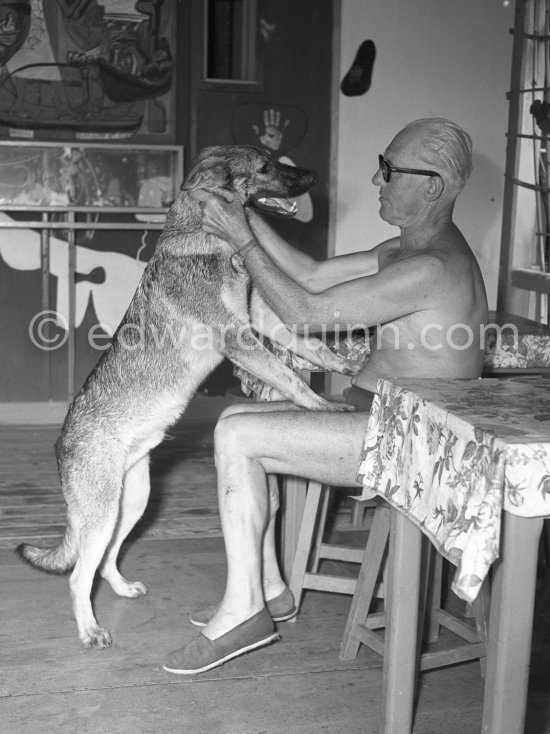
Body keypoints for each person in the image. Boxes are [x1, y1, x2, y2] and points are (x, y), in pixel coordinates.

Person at [163, 118, 489, 675]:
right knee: (241, 413)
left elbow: (305, 313)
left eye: (389, 169)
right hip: (383, 417)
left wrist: (241, 236)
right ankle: (267, 587)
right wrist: (239, 211)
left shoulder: (432, 266)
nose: (375, 179)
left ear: (432, 186)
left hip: (412, 442)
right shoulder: (406, 249)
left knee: (236, 433)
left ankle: (245, 611)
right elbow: (311, 276)